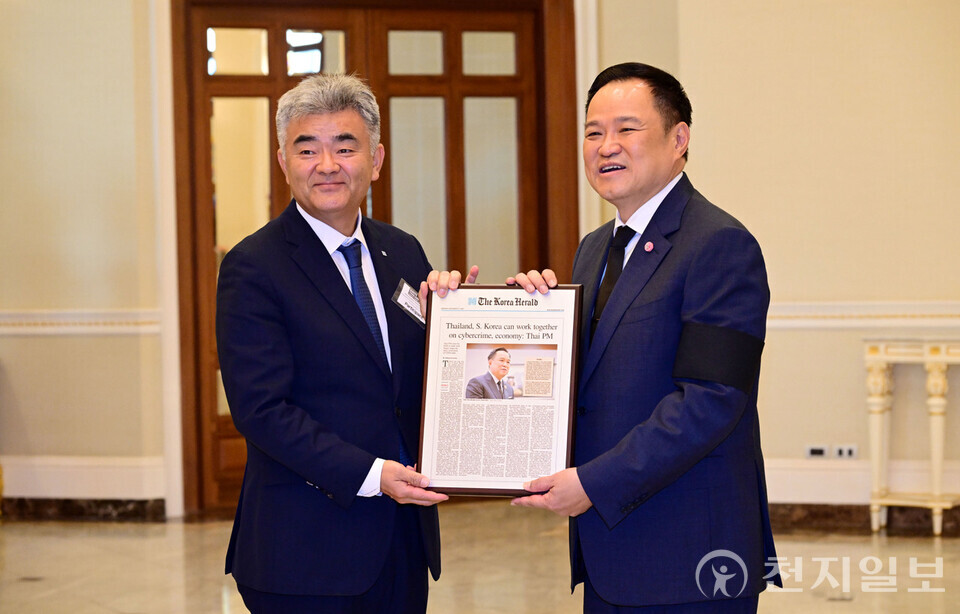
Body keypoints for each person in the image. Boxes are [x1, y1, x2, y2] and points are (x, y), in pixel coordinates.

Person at [510, 62, 781, 612]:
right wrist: (529, 321)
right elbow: (589, 383)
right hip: (612, 554)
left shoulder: (720, 245)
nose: (606, 145)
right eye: (593, 132)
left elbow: (711, 401)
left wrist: (594, 483)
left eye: (626, 128)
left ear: (678, 139)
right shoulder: (594, 249)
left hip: (688, 555)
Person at [216, 73, 474, 613]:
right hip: (304, 553)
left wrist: (464, 326)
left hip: (401, 541)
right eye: (307, 148)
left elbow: (418, 383)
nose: (327, 165)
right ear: (284, 161)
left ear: (376, 160)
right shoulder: (253, 267)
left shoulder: (403, 253)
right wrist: (375, 475)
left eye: (345, 147)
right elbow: (262, 410)